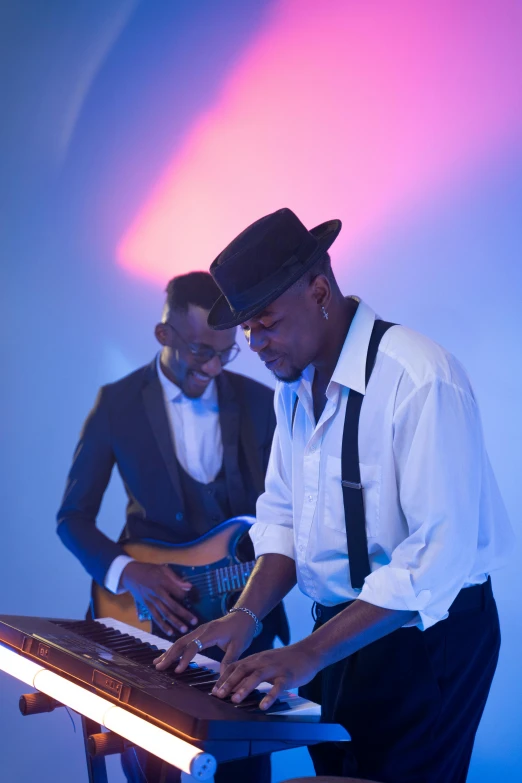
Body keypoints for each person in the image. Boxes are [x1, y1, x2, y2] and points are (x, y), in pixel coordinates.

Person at [155, 209, 514, 783]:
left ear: (319, 291)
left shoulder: (419, 377)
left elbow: (435, 560)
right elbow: (284, 518)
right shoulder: (292, 390)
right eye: (247, 329)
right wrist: (245, 615)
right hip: (336, 638)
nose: (255, 343)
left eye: (265, 322)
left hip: (424, 639)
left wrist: (311, 652)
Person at [57, 271, 288, 783]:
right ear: (164, 335)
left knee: (244, 773)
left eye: (225, 352)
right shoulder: (116, 404)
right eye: (200, 350)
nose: (211, 366)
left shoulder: (262, 401)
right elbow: (71, 517)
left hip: (244, 626)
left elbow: (289, 514)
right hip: (145, 626)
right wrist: (128, 572)